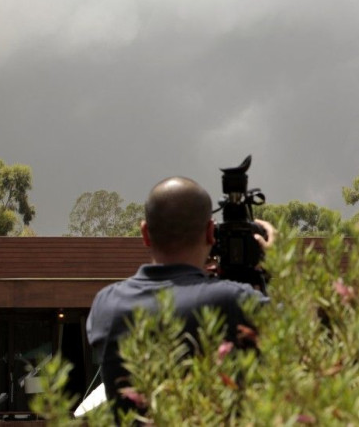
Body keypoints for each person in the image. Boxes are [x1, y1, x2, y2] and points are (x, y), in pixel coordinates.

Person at [86, 176, 274, 417]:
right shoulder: (232, 302)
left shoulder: (106, 304)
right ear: (210, 233)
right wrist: (281, 263)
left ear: (145, 233)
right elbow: (302, 336)